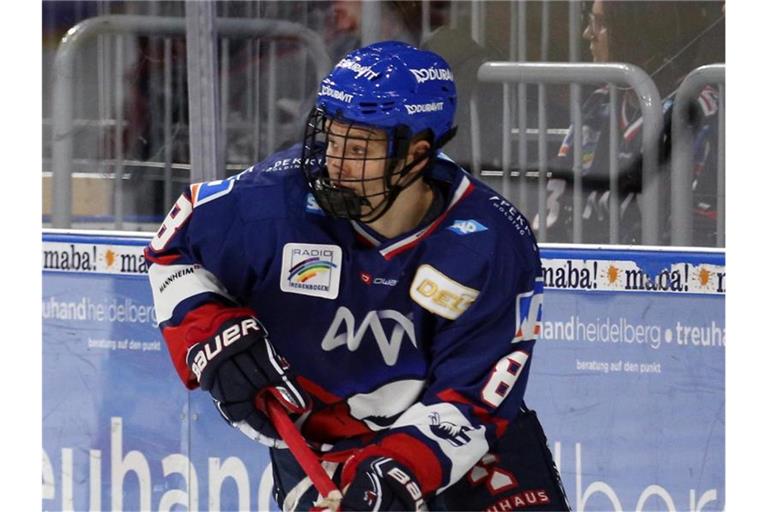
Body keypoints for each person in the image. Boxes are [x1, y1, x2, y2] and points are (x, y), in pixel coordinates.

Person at [145, 41, 569, 511]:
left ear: (416, 155)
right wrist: (209, 333)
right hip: (324, 449)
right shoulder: (274, 201)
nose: (336, 162)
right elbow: (174, 245)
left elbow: (474, 400)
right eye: (333, 137)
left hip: (462, 452)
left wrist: (398, 472)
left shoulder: (489, 243)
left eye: (361, 147)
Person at [537, 0, 724, 245]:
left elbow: (695, 232)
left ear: (638, 31)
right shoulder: (599, 103)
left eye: (600, 23)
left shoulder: (696, 109)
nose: (588, 34)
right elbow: (556, 196)